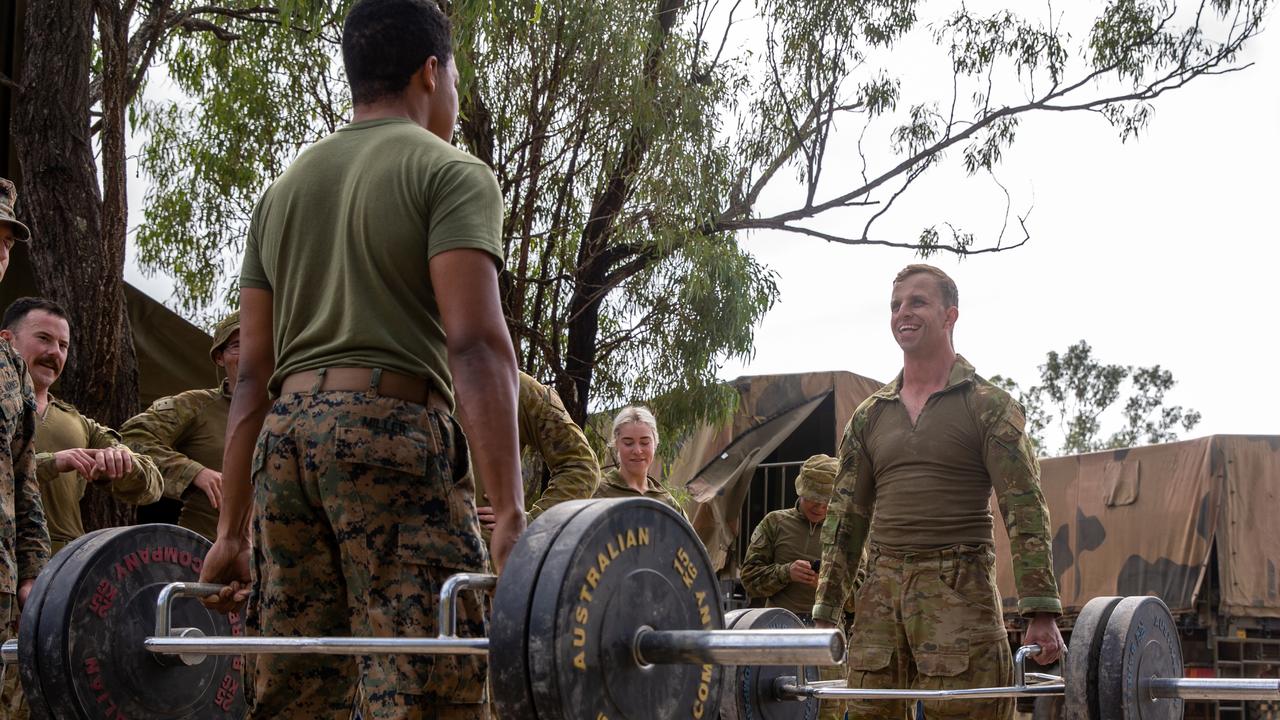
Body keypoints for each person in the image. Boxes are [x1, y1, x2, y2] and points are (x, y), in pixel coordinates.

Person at [196, 1, 525, 717]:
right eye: (456, 74)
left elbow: (253, 374)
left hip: (285, 447)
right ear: (430, 72)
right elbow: (475, 346)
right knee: (426, 682)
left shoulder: (281, 192)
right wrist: (511, 516)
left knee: (296, 687)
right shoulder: (451, 172)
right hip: (391, 437)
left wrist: (230, 533)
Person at [812, 264, 1063, 720]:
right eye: (895, 305)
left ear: (950, 315)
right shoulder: (869, 416)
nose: (902, 313)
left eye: (917, 302)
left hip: (959, 587)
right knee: (868, 712)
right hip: (880, 596)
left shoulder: (989, 406)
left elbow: (1025, 511)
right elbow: (846, 518)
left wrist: (1040, 612)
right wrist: (826, 611)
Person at [0, 298, 162, 555]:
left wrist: (121, 463)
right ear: (7, 340)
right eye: (44, 338)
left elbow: (152, 486)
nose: (55, 352)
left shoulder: (79, 424)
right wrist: (53, 462)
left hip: (64, 567)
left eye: (63, 345)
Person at [740, 453, 851, 720]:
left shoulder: (845, 533)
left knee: (828, 712)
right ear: (800, 490)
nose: (820, 506)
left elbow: (862, 596)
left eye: (827, 500)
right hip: (779, 635)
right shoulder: (775, 523)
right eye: (814, 497)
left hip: (826, 640)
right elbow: (749, 579)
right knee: (774, 709)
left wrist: (827, 584)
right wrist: (785, 573)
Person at [0, 179, 51, 714]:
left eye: (7, 241)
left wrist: (34, 575)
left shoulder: (10, 368)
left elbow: (23, 479)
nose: (0, 252)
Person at [121, 312, 241, 541]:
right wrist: (193, 472)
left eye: (255, 341)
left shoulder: (286, 410)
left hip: (275, 561)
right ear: (220, 357)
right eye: (236, 345)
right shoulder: (196, 406)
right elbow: (132, 439)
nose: (249, 352)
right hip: (204, 552)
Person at [475, 371, 599, 533]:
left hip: (481, 551)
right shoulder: (434, 379)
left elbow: (581, 466)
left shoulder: (512, 386)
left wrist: (535, 523)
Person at [592, 405, 683, 516]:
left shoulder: (668, 504)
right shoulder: (597, 494)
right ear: (616, 444)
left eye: (644, 442)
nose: (637, 451)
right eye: (628, 443)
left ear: (655, 444)